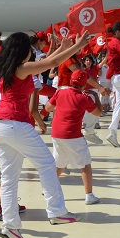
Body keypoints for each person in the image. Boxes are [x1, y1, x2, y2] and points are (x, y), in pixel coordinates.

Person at [0, 30, 91, 238]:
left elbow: (48, 61)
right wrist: (78, 45)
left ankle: (10, 226)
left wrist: (63, 48)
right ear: (23, 51)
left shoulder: (7, 68)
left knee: (9, 178)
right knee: (47, 163)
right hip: (15, 123)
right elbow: (51, 62)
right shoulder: (23, 68)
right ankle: (56, 211)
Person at [43, 70, 104, 205]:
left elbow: (47, 108)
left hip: (57, 134)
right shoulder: (84, 98)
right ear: (84, 85)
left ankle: (48, 189)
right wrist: (96, 96)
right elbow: (98, 113)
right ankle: (89, 195)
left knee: (59, 163)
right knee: (85, 165)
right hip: (73, 135)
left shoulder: (60, 92)